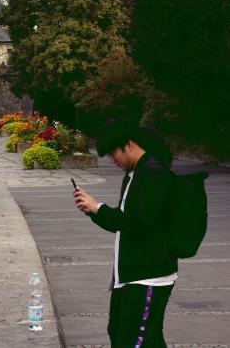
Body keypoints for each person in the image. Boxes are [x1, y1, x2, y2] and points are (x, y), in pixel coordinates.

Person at [73, 118, 176, 347]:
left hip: (149, 275)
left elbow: (138, 224)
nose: (113, 160)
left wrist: (98, 207)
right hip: (130, 275)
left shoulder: (153, 173)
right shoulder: (134, 173)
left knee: (135, 341)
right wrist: (92, 210)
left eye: (113, 153)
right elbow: (121, 222)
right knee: (123, 334)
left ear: (129, 144)